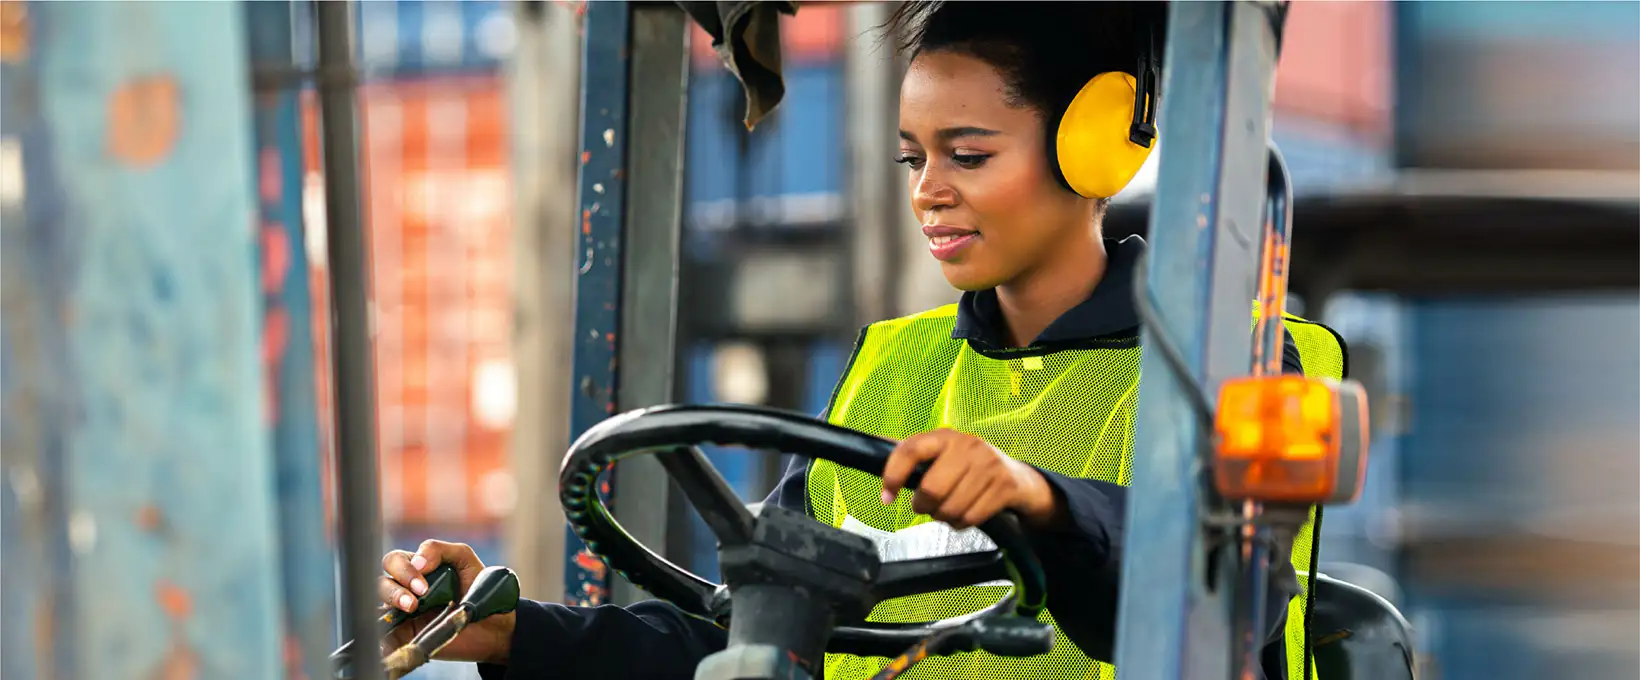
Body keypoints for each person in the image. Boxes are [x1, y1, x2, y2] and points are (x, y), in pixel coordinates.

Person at [376, 3, 1348, 679]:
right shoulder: (897, 366)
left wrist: (1042, 501)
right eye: (912, 156)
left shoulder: (1228, 360)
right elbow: (756, 638)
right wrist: (510, 631)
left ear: (1094, 143)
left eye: (967, 154)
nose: (927, 188)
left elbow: (1216, 603)